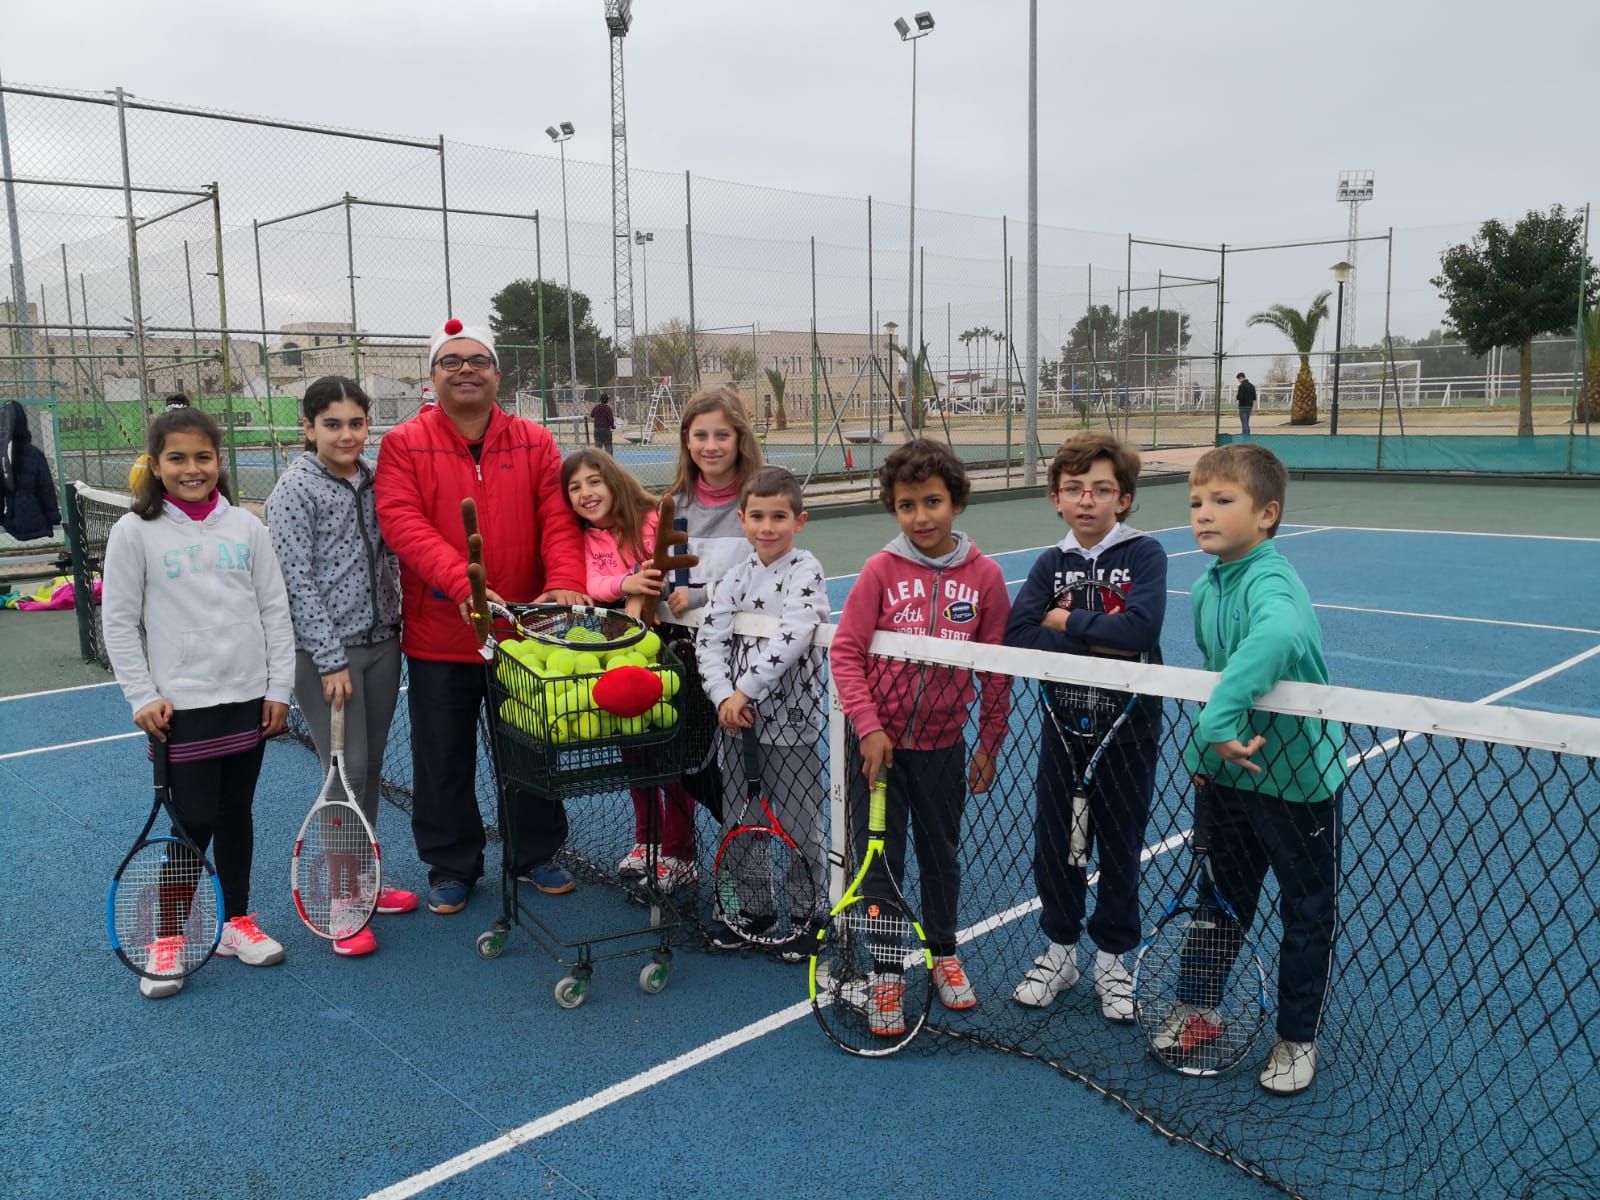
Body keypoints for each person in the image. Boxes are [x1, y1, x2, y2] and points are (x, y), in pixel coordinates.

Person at [375, 317, 588, 915]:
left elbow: (558, 520)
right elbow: (402, 523)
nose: (465, 369)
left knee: (529, 749)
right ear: (433, 376)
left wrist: (565, 580)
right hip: (440, 635)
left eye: (477, 361)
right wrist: (463, 583)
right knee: (442, 759)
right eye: (452, 361)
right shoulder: (402, 444)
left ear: (497, 374)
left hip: (523, 633)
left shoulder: (535, 441)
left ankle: (534, 853)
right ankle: (452, 865)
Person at [101, 406, 295, 998]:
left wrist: (278, 688)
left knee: (236, 813)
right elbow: (118, 621)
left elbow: (274, 611)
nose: (193, 469)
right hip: (181, 708)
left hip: (248, 699)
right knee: (194, 823)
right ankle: (168, 937)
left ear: (219, 460)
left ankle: (236, 922)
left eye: (203, 457)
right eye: (178, 458)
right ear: (156, 465)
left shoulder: (247, 528)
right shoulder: (133, 532)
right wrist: (141, 695)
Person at [1171, 442, 1347, 1096]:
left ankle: (1296, 1036)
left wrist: (1217, 722)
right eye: (1196, 501)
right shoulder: (1205, 587)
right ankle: (1199, 1008)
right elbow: (1217, 675)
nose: (1203, 513)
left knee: (1306, 912)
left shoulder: (1274, 581)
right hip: (1230, 780)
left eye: (1222, 500)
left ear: (1267, 514)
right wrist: (1204, 752)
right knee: (1218, 902)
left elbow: (1277, 638)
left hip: (1297, 786)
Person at [830, 439, 1012, 1035]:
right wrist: (869, 727)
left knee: (941, 859)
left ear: (955, 501)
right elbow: (846, 653)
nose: (921, 517)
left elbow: (996, 669)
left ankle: (942, 952)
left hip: (943, 751)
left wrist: (989, 743)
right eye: (907, 505)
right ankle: (886, 972)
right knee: (881, 864)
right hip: (875, 754)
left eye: (933, 501)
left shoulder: (986, 577)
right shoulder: (880, 571)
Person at [1002, 432, 1167, 1021]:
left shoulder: (1145, 555)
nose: (1087, 500)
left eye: (1101, 489)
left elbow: (1140, 633)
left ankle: (1114, 960)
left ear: (1123, 498)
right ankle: (1061, 954)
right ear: (1057, 499)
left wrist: (1064, 621)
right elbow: (1017, 635)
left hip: (1127, 735)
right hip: (1064, 733)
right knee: (1057, 849)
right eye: (1074, 489)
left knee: (1120, 849)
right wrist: (1100, 644)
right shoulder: (1051, 563)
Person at [265, 376, 416, 957]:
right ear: (308, 429)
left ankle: (365, 879)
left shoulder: (376, 477)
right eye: (332, 424)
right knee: (343, 775)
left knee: (370, 767)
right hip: (328, 657)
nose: (347, 435)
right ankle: (342, 897)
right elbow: (296, 582)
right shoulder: (293, 490)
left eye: (357, 423)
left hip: (383, 645)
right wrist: (329, 659)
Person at [695, 466, 830, 958]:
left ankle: (813, 913)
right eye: (757, 516)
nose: (767, 527)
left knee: (801, 828)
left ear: (800, 521)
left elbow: (793, 636)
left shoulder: (806, 570)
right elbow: (709, 639)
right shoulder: (734, 577)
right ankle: (756, 910)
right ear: (742, 519)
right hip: (739, 730)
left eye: (779, 516)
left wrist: (745, 691)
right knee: (742, 824)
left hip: (793, 731)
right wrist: (723, 698)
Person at [559, 448, 696, 893]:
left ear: (614, 480)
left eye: (593, 481)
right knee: (634, 750)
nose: (585, 493)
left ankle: (679, 852)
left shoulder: (653, 518)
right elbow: (590, 583)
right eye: (575, 487)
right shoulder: (585, 537)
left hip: (667, 650)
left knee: (670, 756)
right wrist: (626, 585)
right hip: (620, 654)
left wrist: (644, 589)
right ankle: (647, 840)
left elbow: (669, 569)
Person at [660, 385, 766, 819]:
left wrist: (702, 596)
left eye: (722, 435)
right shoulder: (674, 505)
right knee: (687, 762)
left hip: (748, 658)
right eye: (700, 435)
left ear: (740, 439)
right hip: (688, 655)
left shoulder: (761, 501)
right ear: (686, 440)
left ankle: (751, 839)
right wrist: (647, 585)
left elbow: (767, 575)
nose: (711, 446)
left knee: (751, 763)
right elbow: (667, 577)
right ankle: (742, 831)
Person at [0, 400, 60, 542]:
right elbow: (46, 489)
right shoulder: (34, 455)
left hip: (13, 523)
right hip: (38, 524)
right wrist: (53, 517)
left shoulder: (4, 455)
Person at [1235, 372, 1256, 436]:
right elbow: (1254, 397)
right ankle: (1248, 435)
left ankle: (1245, 436)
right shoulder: (1252, 386)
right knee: (1246, 422)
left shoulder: (1241, 386)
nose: (1239, 381)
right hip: (1250, 406)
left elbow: (1239, 397)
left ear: (1241, 378)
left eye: (1238, 379)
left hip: (1242, 406)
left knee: (1244, 423)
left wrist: (1237, 396)